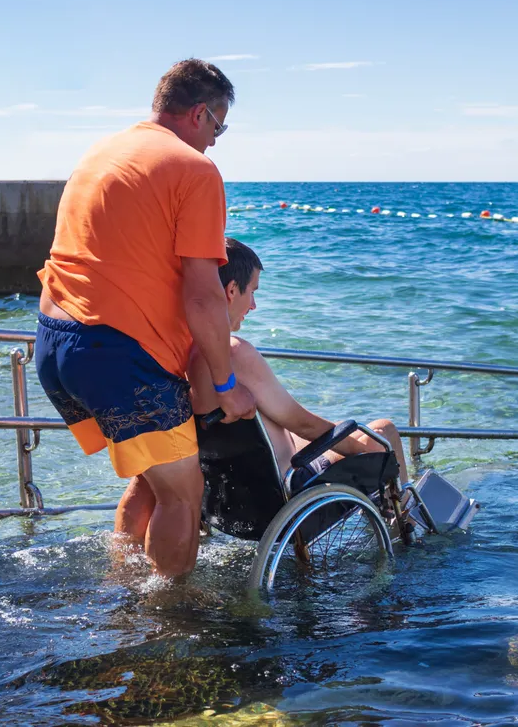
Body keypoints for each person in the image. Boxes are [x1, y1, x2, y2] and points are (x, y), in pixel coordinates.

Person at [35, 59, 257, 580]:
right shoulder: (194, 169)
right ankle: (166, 624)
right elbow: (205, 297)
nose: (217, 141)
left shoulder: (103, 151)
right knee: (184, 493)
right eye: (219, 126)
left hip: (55, 342)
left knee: (151, 476)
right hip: (117, 354)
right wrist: (226, 385)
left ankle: (123, 586)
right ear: (200, 113)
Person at [189, 238, 410, 481]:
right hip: (290, 482)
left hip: (237, 487)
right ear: (231, 290)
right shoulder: (235, 353)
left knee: (342, 434)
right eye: (252, 292)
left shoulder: (188, 355)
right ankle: (405, 517)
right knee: (383, 431)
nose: (253, 305)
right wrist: (367, 455)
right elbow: (304, 425)